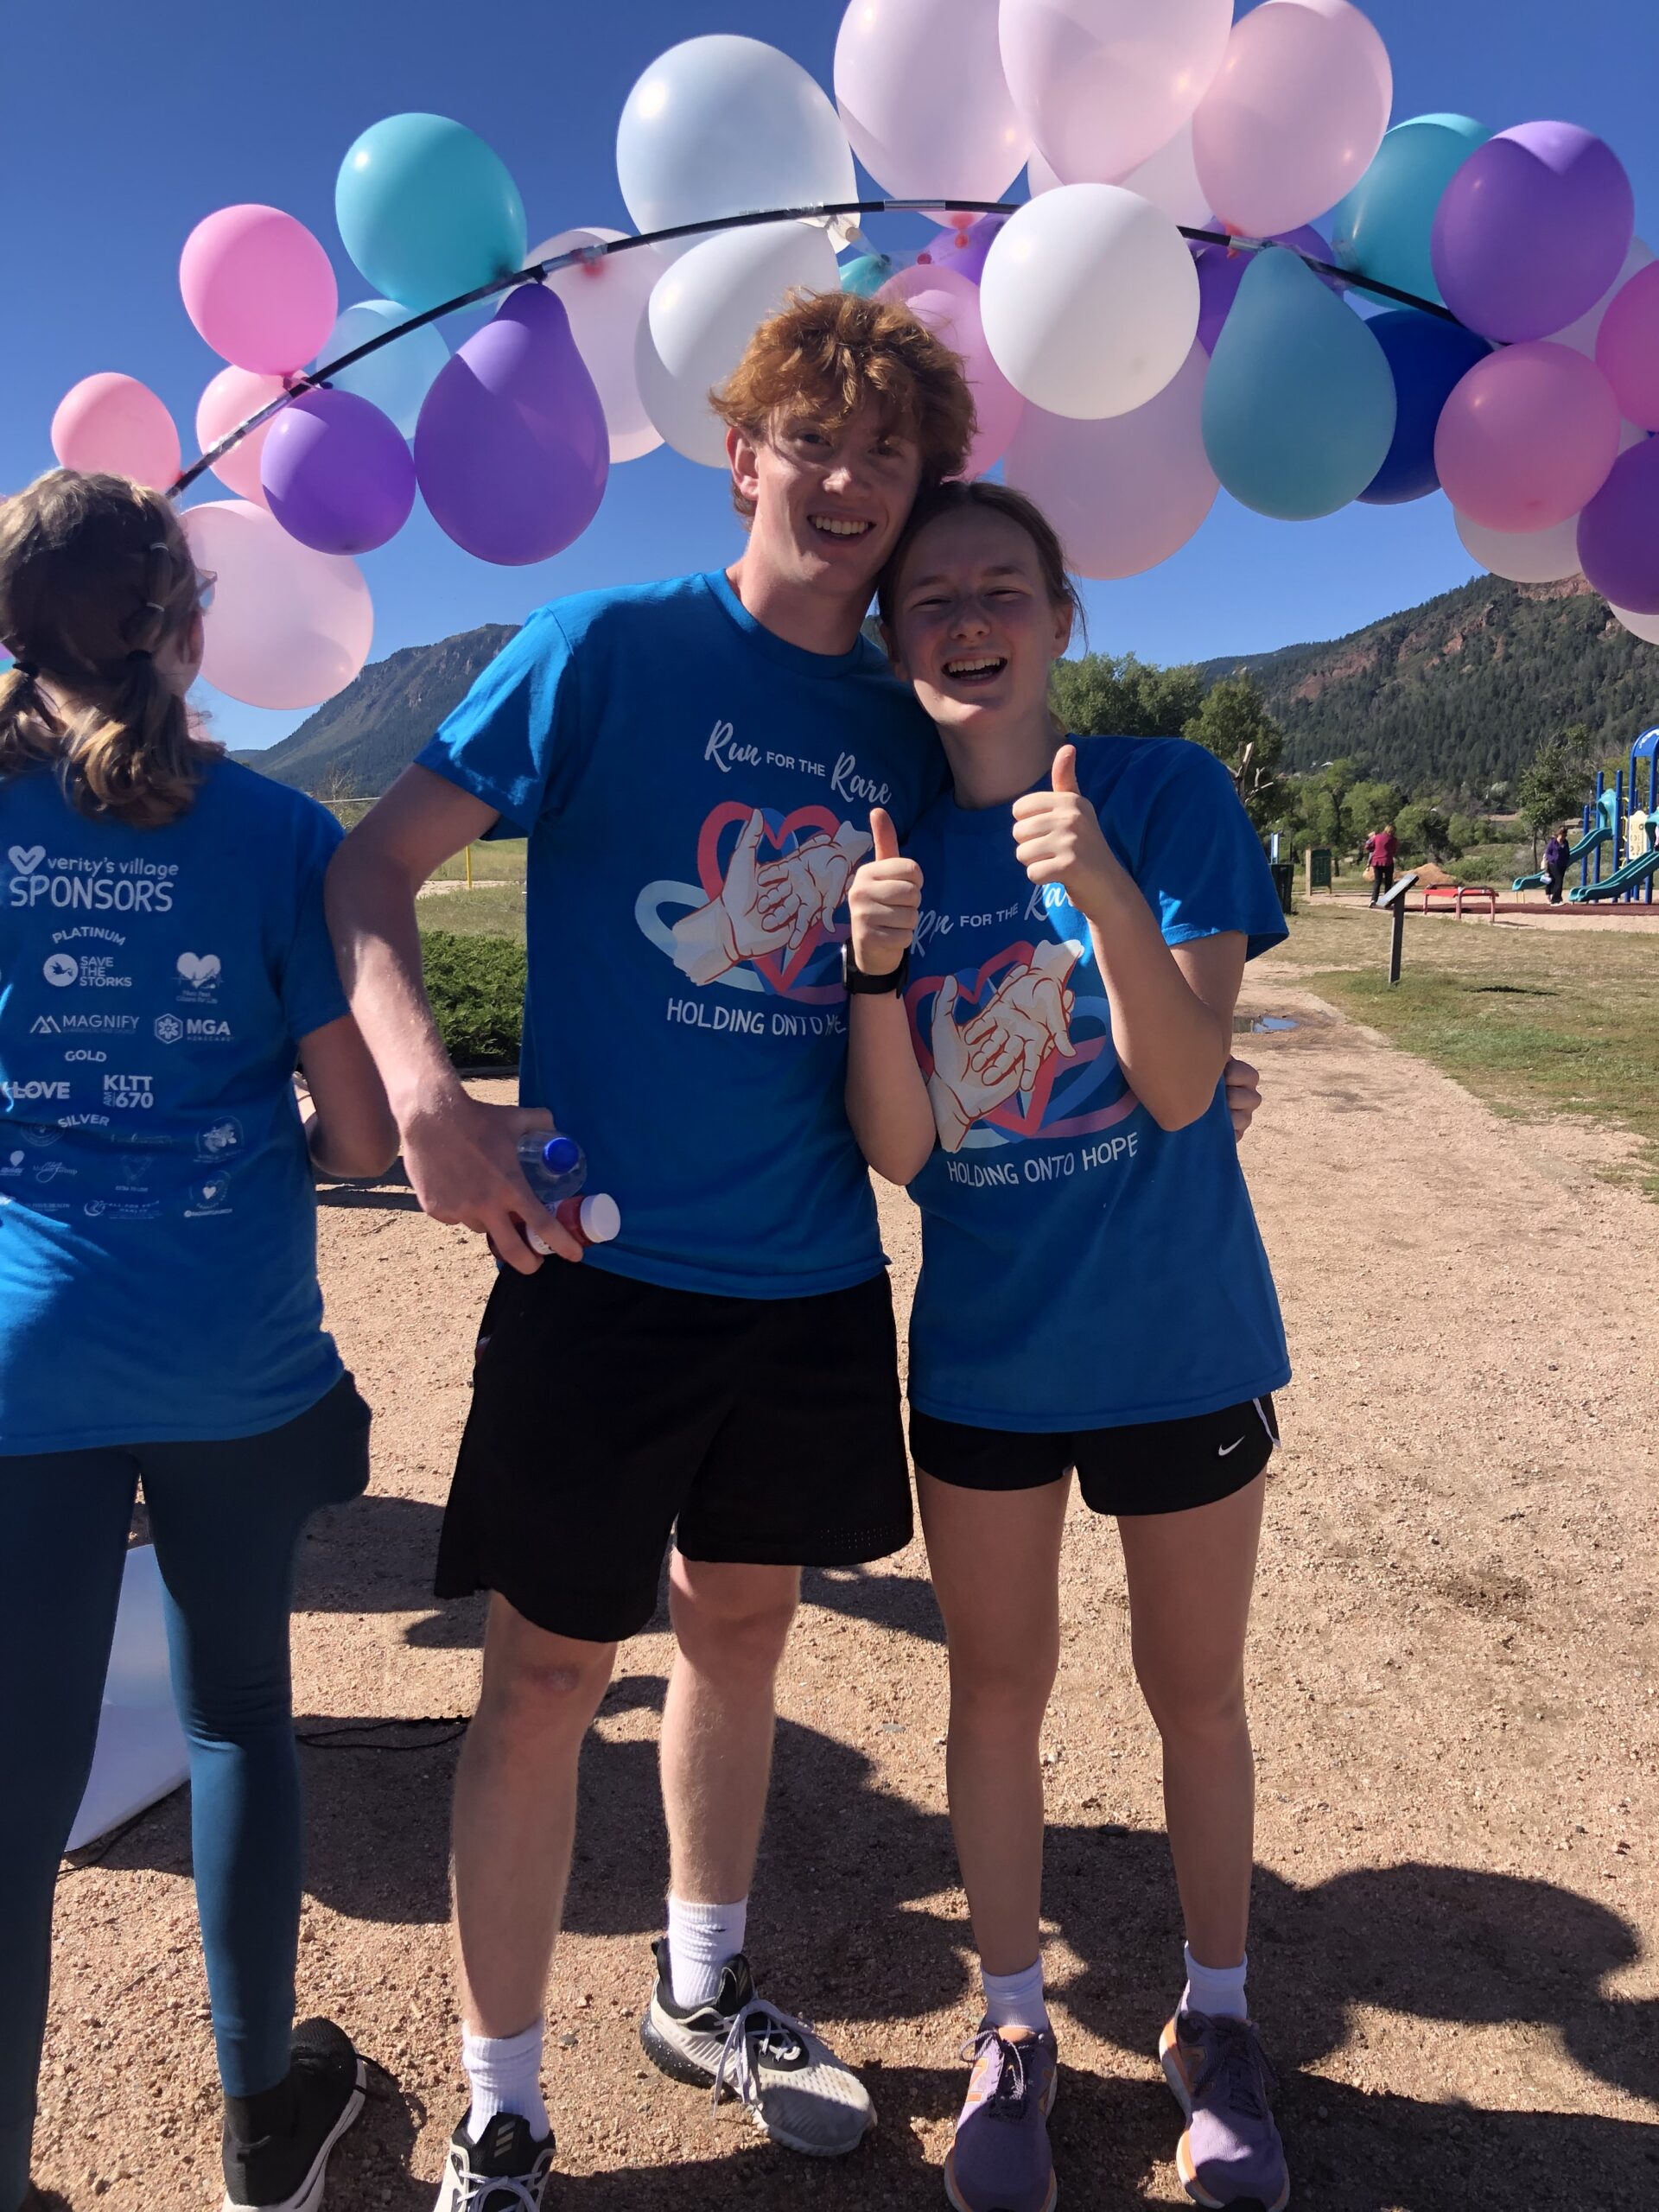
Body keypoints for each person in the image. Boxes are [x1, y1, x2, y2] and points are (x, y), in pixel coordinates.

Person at [326, 292, 1266, 2209]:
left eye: (887, 456)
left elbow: (1034, 996)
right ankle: (502, 2105)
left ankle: (704, 1982)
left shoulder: (915, 722)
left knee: (742, 1633)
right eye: (809, 441)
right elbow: (367, 868)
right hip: (598, 1266)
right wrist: (428, 1090)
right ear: (739, 452)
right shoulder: (600, 648)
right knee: (540, 1678)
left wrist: (1187, 1054)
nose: (847, 483)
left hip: (817, 1277)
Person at [843, 480, 1292, 2212]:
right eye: (934, 595)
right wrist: (878, 967)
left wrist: (1104, 886)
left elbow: (1183, 1082)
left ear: (1059, 616)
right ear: (900, 641)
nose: (968, 615)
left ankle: (1218, 2022)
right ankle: (1013, 2025)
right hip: (990, 1359)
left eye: (1003, 587)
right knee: (995, 1696)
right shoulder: (889, 845)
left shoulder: (1166, 791)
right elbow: (903, 1151)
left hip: (1180, 1338)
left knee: (1197, 1696)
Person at [0, 472, 397, 2212]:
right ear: (183, 623)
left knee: (18, 1784)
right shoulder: (275, 831)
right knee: (239, 1713)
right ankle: (260, 2132)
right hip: (236, 1344)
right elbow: (368, 1133)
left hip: (25, 1356)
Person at [1366, 823, 1397, 906]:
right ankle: (1386, 900)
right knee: (1388, 882)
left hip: (1376, 861)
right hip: (1388, 862)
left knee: (1377, 881)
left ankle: (1373, 900)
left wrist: (1374, 848)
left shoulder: (1377, 837)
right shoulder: (1393, 839)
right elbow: (1394, 851)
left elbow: (1368, 846)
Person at [1544, 825, 1572, 905]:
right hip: (1553, 864)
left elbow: (1567, 853)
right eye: (1562, 835)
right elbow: (1548, 853)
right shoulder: (1553, 842)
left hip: (1562, 865)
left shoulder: (1565, 842)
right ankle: (1555, 900)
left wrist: (1566, 860)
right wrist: (1553, 859)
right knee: (1558, 880)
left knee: (1559, 881)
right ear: (1559, 834)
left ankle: (1558, 898)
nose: (1563, 837)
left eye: (1565, 835)